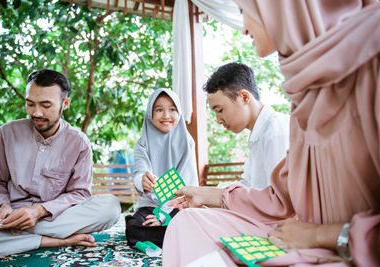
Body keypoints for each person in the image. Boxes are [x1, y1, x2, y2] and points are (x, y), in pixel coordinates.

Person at [162, 0, 380, 266]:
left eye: (245, 11)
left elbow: (283, 213)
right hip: (304, 237)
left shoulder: (372, 59)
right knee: (189, 223)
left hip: (345, 246)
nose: (243, 28)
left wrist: (323, 235)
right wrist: (210, 195)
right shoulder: (305, 95)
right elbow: (280, 198)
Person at [0, 69, 121, 257]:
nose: (36, 112)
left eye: (46, 105)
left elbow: (79, 193)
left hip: (52, 217)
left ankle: (11, 236)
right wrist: (3, 205)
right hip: (9, 216)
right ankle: (58, 240)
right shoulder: (7, 133)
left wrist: (38, 211)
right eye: (30, 104)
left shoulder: (79, 143)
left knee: (110, 207)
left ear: (65, 104)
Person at [125, 88, 198, 248]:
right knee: (133, 228)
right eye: (159, 109)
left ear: (179, 112)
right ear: (150, 114)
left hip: (179, 205)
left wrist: (163, 216)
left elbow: (187, 187)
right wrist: (142, 181)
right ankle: (178, 237)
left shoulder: (186, 142)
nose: (166, 115)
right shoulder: (142, 144)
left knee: (191, 220)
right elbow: (140, 173)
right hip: (150, 205)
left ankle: (169, 234)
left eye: (172, 109)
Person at [205, 62, 289, 189]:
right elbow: (249, 186)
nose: (218, 120)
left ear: (244, 97)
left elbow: (279, 199)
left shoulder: (276, 132)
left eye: (220, 110)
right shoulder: (259, 133)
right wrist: (206, 194)